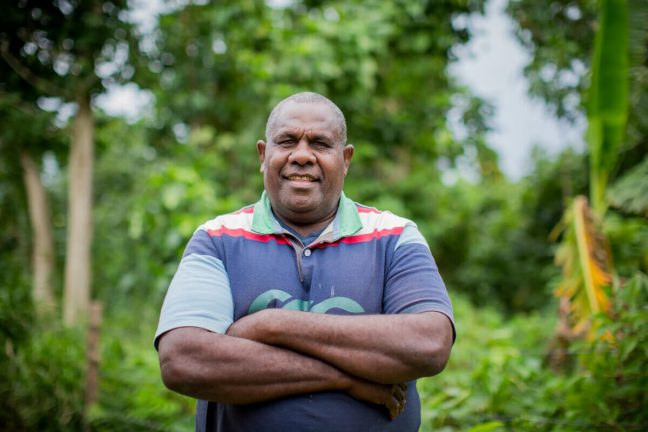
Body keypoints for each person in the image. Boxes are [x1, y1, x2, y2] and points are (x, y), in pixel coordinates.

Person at [154, 92, 455, 432]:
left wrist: (270, 325)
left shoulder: (394, 236)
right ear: (263, 155)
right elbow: (183, 360)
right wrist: (346, 379)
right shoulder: (217, 238)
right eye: (287, 141)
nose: (301, 156)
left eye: (320, 143)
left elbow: (428, 344)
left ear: (345, 159)